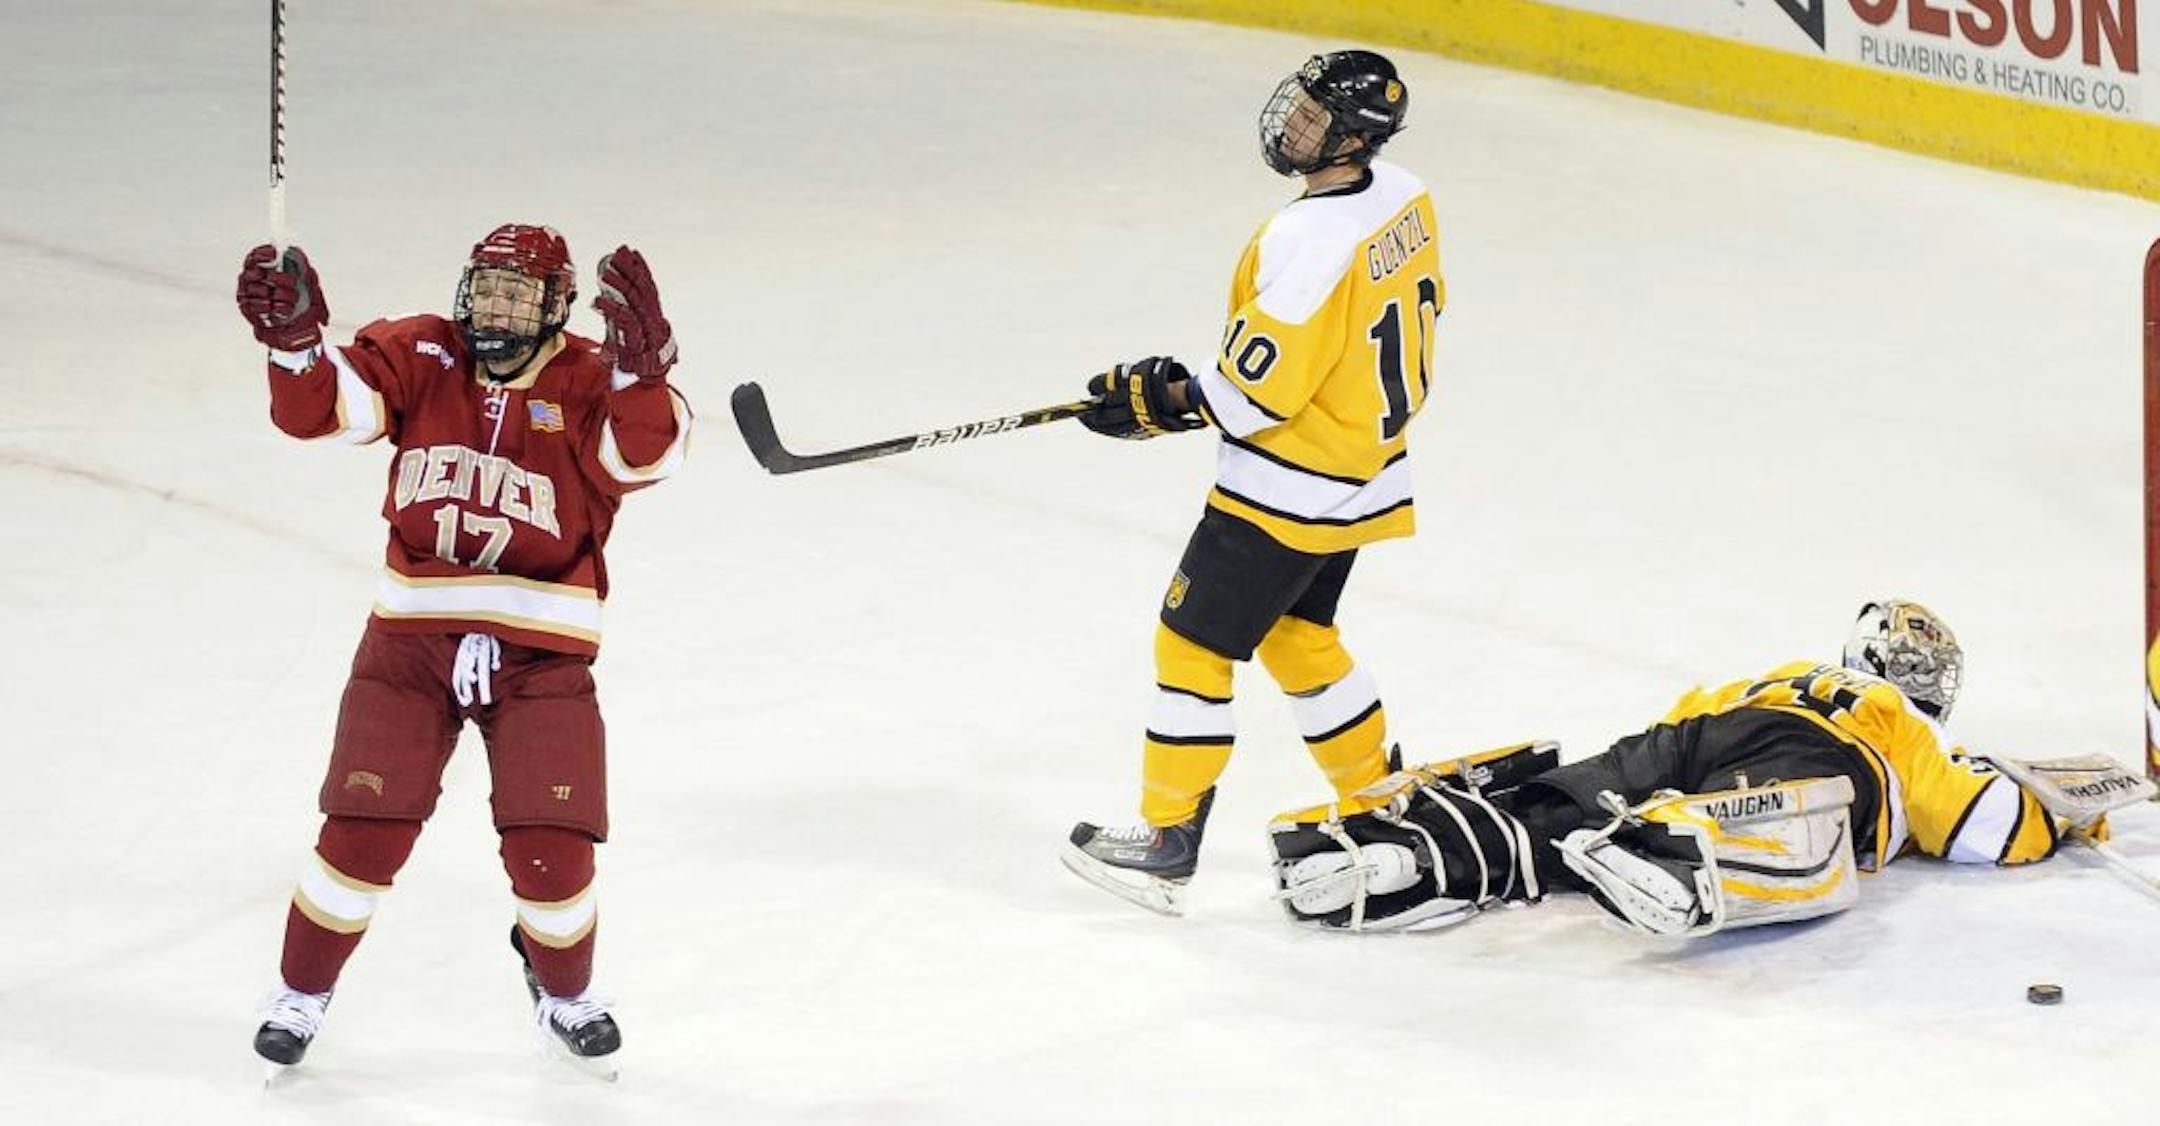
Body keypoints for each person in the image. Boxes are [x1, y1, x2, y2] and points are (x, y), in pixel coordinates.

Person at [232, 224, 690, 1073]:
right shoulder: (423, 353)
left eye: (518, 295)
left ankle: (562, 992)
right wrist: (296, 348)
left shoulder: (590, 379)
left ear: (556, 308)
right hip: (410, 646)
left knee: (552, 855)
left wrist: (645, 375)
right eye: (485, 289)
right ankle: (300, 993)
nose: (496, 309)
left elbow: (644, 457)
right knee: (360, 838)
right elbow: (320, 413)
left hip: (541, 659)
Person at [1060, 50, 1441, 916]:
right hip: (1361, 472)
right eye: (1297, 107)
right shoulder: (1409, 198)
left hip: (1285, 489)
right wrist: (1182, 387)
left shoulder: (1304, 238)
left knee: (1190, 647)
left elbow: (1255, 392)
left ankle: (1164, 843)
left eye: (1313, 117)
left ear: (1352, 137)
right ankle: (1382, 805)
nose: (1292, 124)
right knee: (1299, 638)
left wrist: (1164, 402)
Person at [1270, 599, 2083, 935]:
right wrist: (2065, 810)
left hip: (1701, 730)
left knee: (1554, 810)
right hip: (1809, 759)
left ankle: (1417, 852)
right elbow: (1984, 825)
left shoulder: (1785, 671)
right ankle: (1668, 852)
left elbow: (1682, 717)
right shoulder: (1897, 720)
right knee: (1794, 830)